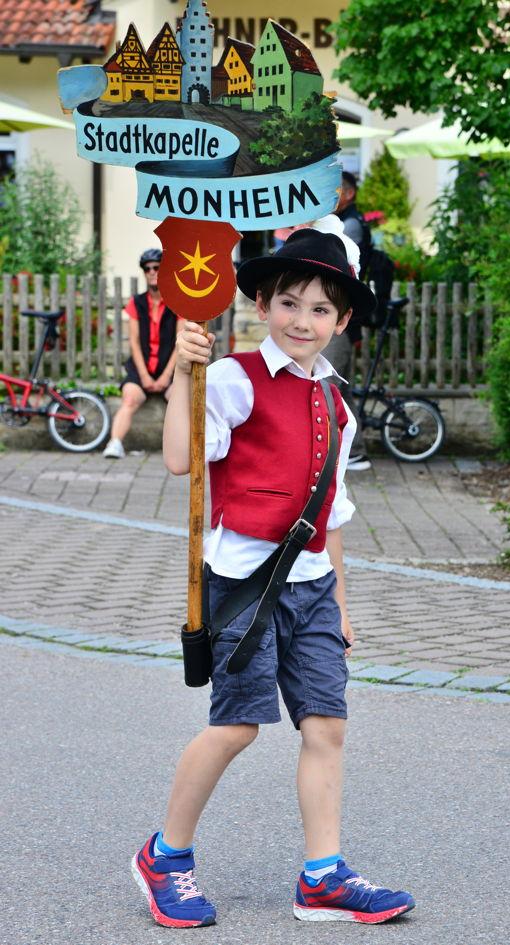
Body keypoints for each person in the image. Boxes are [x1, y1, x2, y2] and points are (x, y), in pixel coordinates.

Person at [131, 230, 415, 929]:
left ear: (341, 320)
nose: (301, 319)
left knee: (326, 725)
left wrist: (341, 603)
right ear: (261, 303)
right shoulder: (231, 378)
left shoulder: (337, 403)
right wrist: (182, 378)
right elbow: (178, 460)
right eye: (288, 302)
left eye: (320, 309)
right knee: (236, 727)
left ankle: (322, 874)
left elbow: (332, 513)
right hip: (243, 588)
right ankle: (165, 855)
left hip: (313, 588)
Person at [103, 248, 180, 459]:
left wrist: (165, 376)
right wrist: (144, 376)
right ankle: (115, 443)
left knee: (179, 400)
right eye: (147, 269)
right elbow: (134, 343)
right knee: (130, 398)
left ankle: (184, 449)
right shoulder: (136, 303)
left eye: (157, 267)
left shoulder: (177, 301)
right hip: (141, 368)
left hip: (170, 368)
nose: (152, 272)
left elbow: (179, 343)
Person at [322, 171, 374, 472]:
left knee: (330, 385)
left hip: (342, 316)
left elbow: (339, 266)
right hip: (342, 316)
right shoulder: (349, 222)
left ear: (350, 193)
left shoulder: (350, 226)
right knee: (340, 386)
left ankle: (337, 452)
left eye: (336, 189)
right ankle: (355, 451)